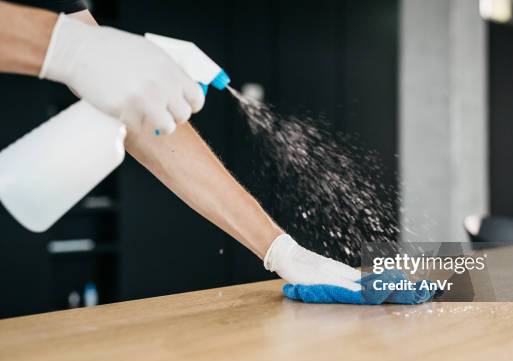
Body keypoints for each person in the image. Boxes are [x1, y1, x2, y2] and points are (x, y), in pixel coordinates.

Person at [0, 1, 361, 291]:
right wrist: (69, 48)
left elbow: (149, 125)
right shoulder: (76, 43)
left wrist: (279, 249)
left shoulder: (73, 24)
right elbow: (72, 46)